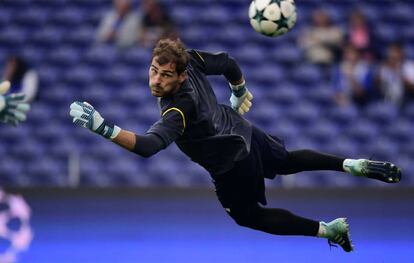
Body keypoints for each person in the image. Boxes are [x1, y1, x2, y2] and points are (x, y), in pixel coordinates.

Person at [70, 39, 402, 252]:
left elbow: (147, 146)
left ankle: (328, 231)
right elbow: (227, 61)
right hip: (241, 128)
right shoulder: (192, 58)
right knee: (285, 161)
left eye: (166, 76)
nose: (157, 80)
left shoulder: (177, 109)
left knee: (249, 217)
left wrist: (103, 127)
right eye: (154, 71)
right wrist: (240, 90)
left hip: (230, 163)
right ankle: (351, 164)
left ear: (181, 77)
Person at [377, 42, 414, 107]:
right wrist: (380, 73)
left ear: (401, 53)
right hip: (387, 100)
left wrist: (399, 73)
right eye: (391, 52)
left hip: (406, 101)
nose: (393, 55)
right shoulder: (384, 67)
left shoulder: (409, 66)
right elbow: (377, 86)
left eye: (395, 52)